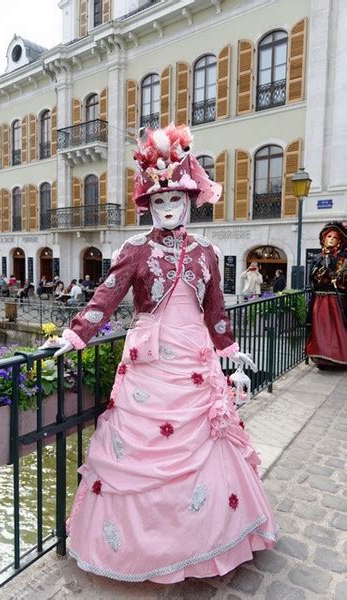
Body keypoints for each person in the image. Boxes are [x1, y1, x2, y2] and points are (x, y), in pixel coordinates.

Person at [40, 124, 276, 583]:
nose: (168, 208)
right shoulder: (135, 249)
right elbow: (105, 296)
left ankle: (207, 543)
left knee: (208, 446)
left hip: (194, 363)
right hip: (150, 365)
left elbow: (215, 308)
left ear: (189, 202)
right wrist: (74, 336)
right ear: (149, 206)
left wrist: (228, 347)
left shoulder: (207, 251)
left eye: (175, 200)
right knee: (141, 454)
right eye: (160, 202)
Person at [306, 221, 347, 368]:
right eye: (328, 236)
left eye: (334, 237)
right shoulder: (318, 258)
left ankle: (338, 358)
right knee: (320, 329)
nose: (331, 239)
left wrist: (336, 275)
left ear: (339, 241)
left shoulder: (343, 259)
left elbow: (343, 279)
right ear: (323, 239)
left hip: (336, 300)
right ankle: (322, 358)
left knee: (336, 329)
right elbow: (312, 278)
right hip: (319, 299)